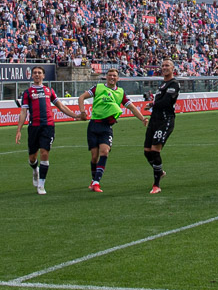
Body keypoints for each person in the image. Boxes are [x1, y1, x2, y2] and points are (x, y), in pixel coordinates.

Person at [16, 65, 83, 195]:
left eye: (39, 73)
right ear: (32, 75)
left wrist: (75, 116)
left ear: (43, 76)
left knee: (45, 153)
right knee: (32, 158)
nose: (36, 75)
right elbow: (23, 111)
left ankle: (41, 184)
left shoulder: (49, 91)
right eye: (34, 72)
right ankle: (35, 170)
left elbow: (61, 106)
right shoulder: (27, 92)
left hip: (48, 126)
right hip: (34, 127)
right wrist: (19, 130)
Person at [78, 68, 147, 192]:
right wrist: (82, 112)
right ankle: (94, 180)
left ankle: (96, 182)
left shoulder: (120, 92)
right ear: (106, 77)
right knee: (94, 157)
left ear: (118, 78)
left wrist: (142, 118)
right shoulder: (98, 88)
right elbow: (82, 97)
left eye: (114, 76)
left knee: (104, 152)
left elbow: (131, 107)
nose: (112, 77)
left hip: (106, 127)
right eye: (110, 75)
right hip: (94, 125)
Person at [144, 58, 180, 194]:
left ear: (172, 69)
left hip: (165, 120)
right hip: (154, 120)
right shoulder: (162, 85)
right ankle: (160, 172)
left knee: (155, 150)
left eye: (167, 65)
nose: (164, 67)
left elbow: (166, 102)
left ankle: (156, 185)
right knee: (147, 152)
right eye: (163, 65)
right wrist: (152, 104)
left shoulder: (174, 84)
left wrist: (152, 104)